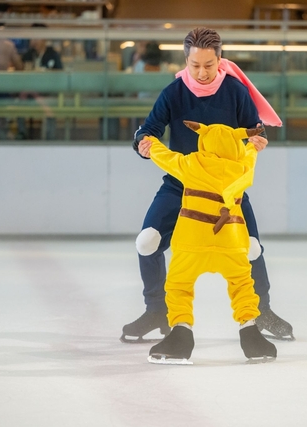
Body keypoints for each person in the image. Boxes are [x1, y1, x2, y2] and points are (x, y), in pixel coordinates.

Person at [122, 27, 294, 343]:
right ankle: (156, 311)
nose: (201, 73)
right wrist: (142, 143)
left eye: (209, 65)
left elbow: (255, 129)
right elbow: (149, 129)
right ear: (186, 61)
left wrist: (257, 141)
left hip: (226, 190)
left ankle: (262, 311)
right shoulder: (173, 93)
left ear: (220, 59)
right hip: (181, 184)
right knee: (147, 242)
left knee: (251, 247)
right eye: (195, 65)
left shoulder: (235, 91)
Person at [141, 122, 277, 364]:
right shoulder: (242, 168)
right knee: (242, 285)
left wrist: (149, 142)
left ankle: (180, 336)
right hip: (231, 242)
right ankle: (251, 335)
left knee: (179, 286)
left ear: (204, 141)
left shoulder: (192, 163)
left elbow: (164, 156)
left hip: (192, 242)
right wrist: (252, 145)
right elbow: (251, 154)